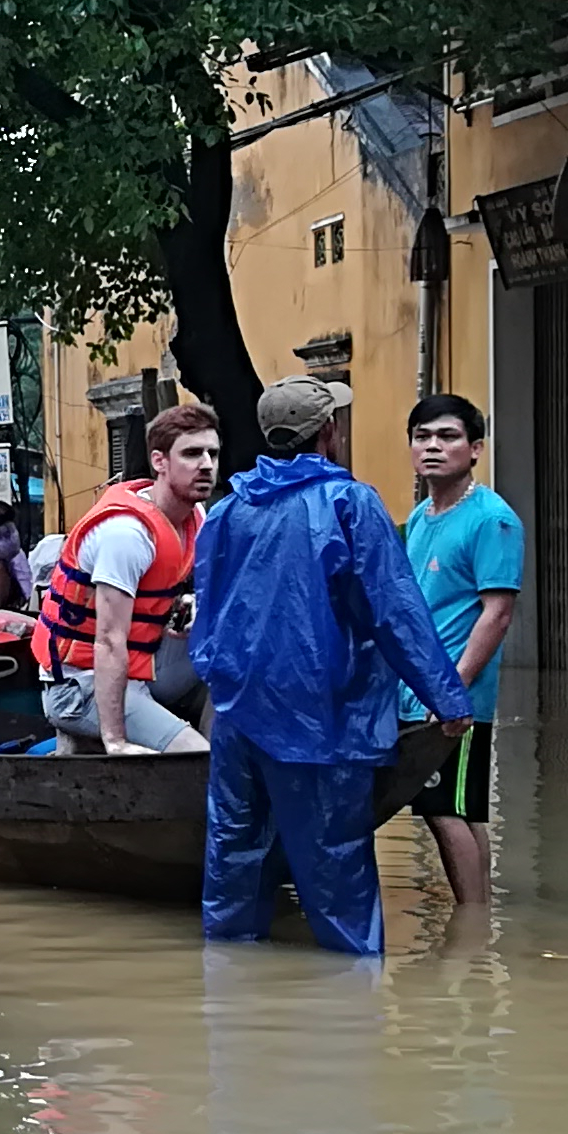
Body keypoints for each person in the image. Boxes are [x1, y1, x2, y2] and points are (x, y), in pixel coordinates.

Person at [189, 379, 474, 955]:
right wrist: (448, 700)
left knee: (233, 865)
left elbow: (207, 615)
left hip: (239, 715)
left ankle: (224, 997)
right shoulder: (350, 503)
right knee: (336, 871)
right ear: (329, 432)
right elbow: (394, 611)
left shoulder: (227, 510)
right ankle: (349, 1008)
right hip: (321, 717)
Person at [34, 404, 221, 753]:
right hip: (80, 683)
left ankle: (218, 766)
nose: (206, 465)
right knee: (194, 756)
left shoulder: (195, 513)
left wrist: (185, 607)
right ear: (160, 462)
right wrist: (116, 741)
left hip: (146, 665)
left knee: (236, 667)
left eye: (212, 453)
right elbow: (108, 641)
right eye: (192, 454)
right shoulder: (127, 534)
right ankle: (201, 762)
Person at [399, 391, 524, 908]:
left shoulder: (492, 520)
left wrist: (453, 690)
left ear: (475, 449)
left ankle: (471, 927)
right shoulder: (424, 516)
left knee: (442, 809)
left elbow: (497, 613)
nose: (432, 447)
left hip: (453, 696)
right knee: (461, 808)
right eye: (422, 437)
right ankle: (477, 919)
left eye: (447, 437)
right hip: (420, 691)